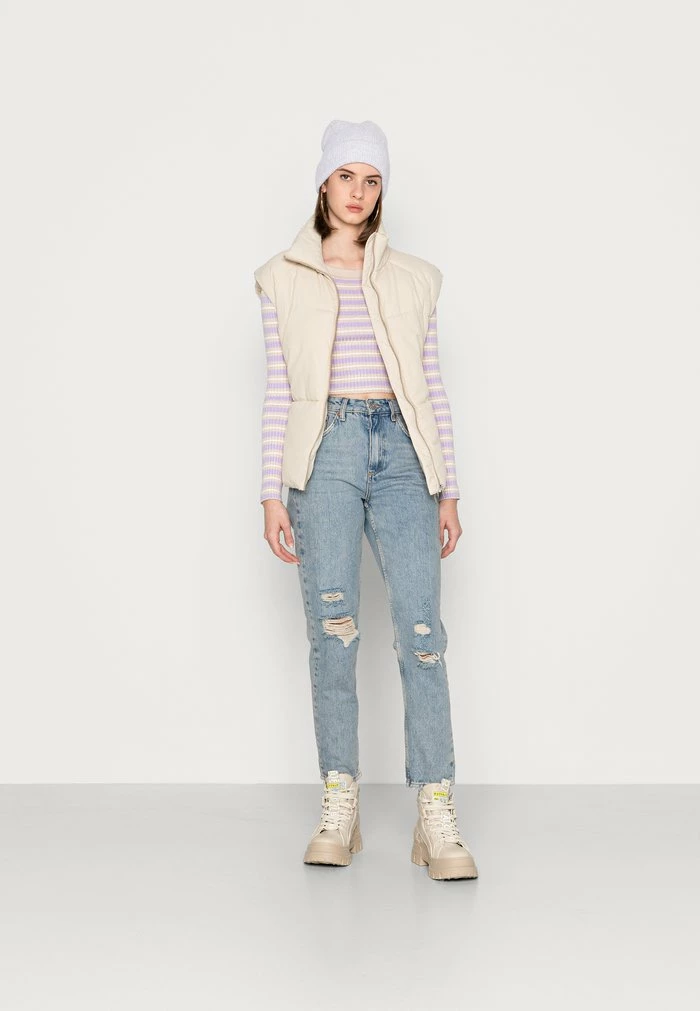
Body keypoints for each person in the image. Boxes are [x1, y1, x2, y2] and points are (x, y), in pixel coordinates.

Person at [254, 119, 478, 881]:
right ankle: (340, 802)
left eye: (372, 179)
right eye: (346, 176)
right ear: (324, 181)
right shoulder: (282, 276)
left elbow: (432, 387)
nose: (359, 192)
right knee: (334, 629)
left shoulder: (415, 278)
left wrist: (448, 486)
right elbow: (280, 391)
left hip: (404, 454)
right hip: (325, 451)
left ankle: (435, 809)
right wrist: (270, 491)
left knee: (422, 631)